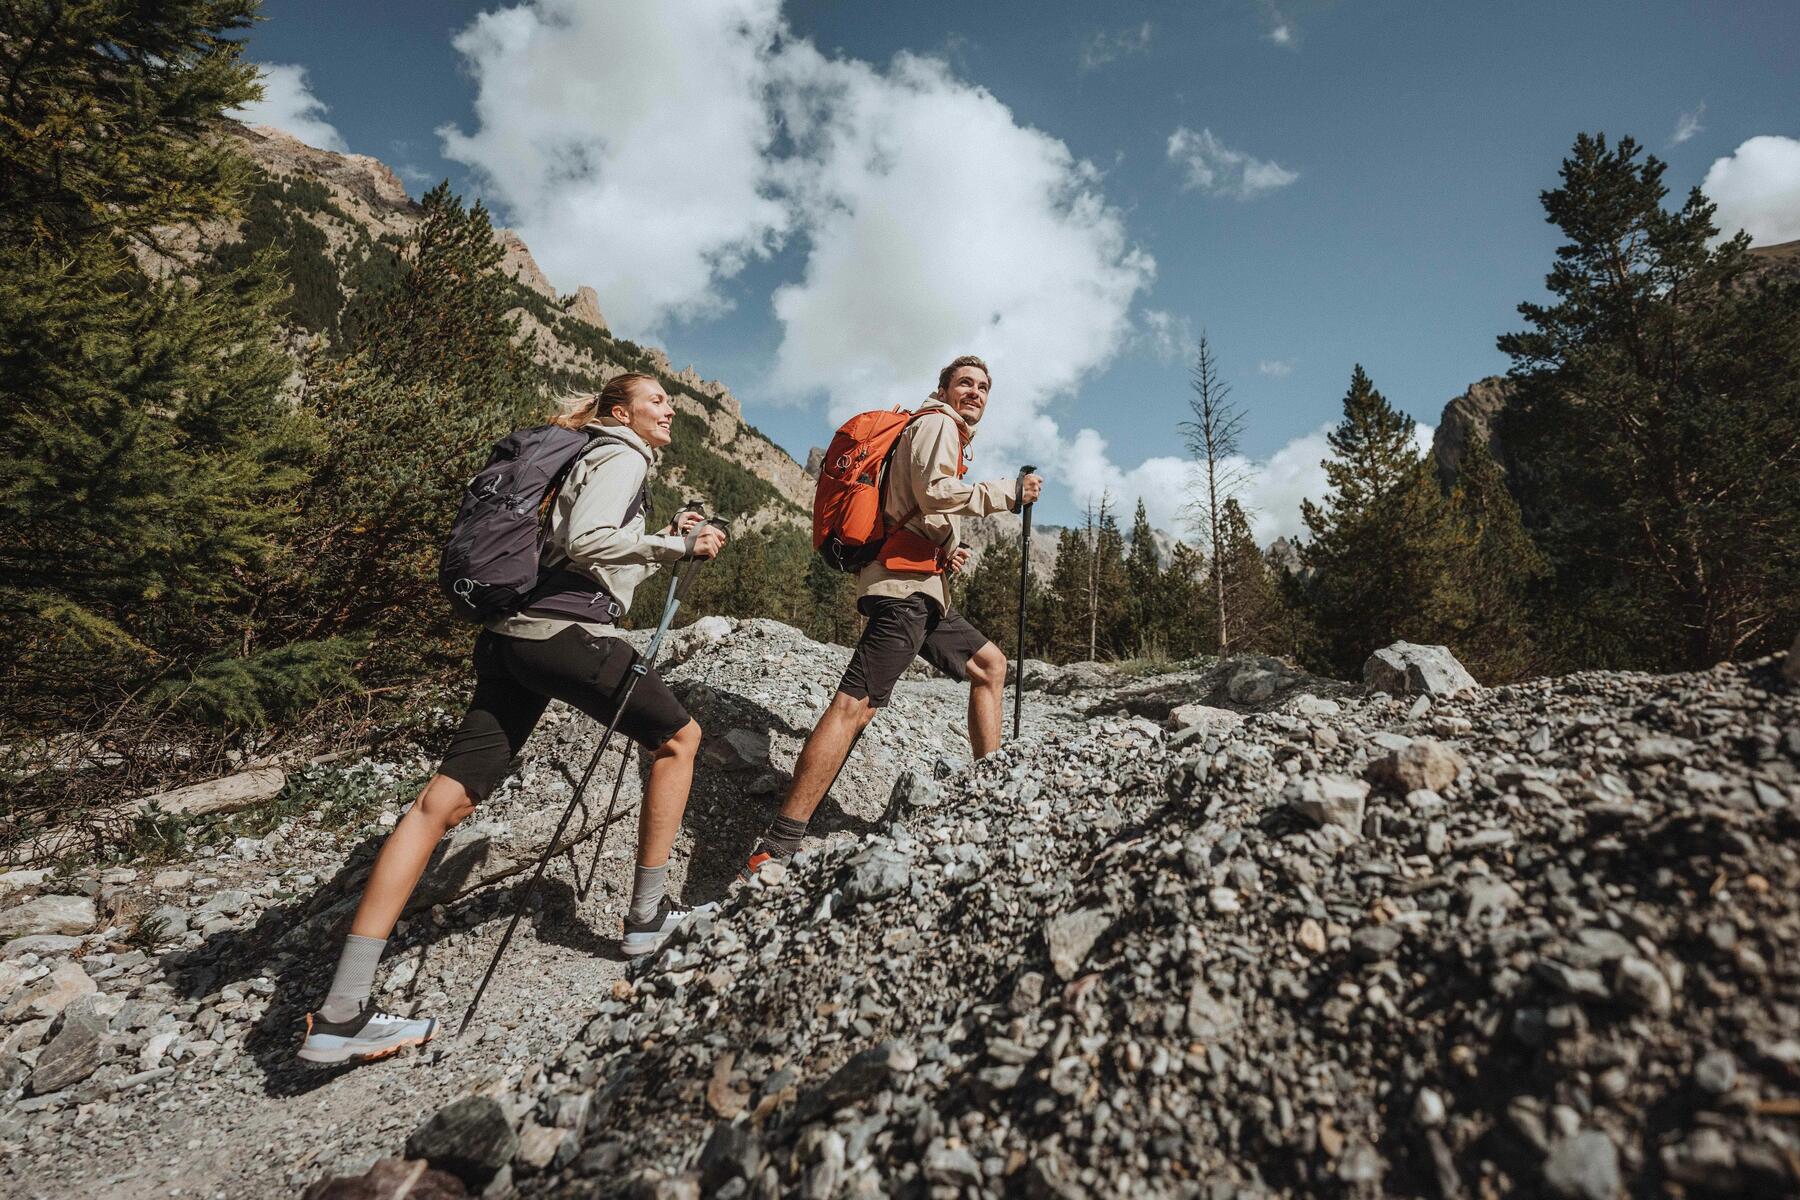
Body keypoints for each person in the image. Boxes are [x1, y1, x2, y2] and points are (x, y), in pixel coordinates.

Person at [300, 372, 728, 1065]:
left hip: (511, 640)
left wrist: (658, 542)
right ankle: (648, 920)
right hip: (562, 638)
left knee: (441, 803)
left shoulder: (579, 454)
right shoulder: (621, 453)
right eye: (656, 399)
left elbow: (586, 565)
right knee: (680, 737)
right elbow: (591, 543)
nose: (668, 408)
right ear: (621, 411)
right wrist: (678, 547)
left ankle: (340, 1011)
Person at [744, 355, 1043, 876]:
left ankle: (988, 789)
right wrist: (1008, 495)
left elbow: (917, 505)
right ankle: (778, 844)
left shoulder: (937, 429)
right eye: (965, 383)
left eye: (983, 387)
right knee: (854, 706)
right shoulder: (937, 423)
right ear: (944, 389)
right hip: (903, 591)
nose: (974, 392)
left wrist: (947, 543)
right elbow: (932, 492)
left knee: (990, 667)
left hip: (922, 588)